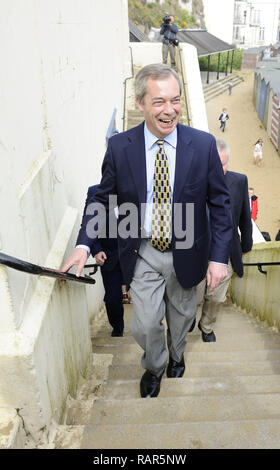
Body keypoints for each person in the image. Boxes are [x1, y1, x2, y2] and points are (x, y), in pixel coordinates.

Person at [61, 63, 232, 398]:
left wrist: (218, 258)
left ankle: (178, 354)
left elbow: (221, 205)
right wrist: (83, 246)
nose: (170, 110)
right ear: (140, 103)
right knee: (145, 323)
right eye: (159, 102)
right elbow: (103, 199)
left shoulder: (203, 144)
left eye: (176, 100)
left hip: (188, 250)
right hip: (142, 251)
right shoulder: (120, 146)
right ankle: (155, 366)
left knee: (182, 320)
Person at [196, 139, 253, 342]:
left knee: (216, 296)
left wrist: (246, 245)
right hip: (197, 251)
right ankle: (185, 323)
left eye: (224, 164)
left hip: (226, 250)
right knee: (192, 296)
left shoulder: (239, 181)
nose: (220, 170)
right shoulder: (192, 181)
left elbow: (245, 218)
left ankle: (207, 327)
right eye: (215, 165)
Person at [81, 185, 124, 337]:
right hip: (109, 256)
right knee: (112, 298)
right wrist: (96, 250)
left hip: (136, 254)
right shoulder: (95, 192)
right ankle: (118, 327)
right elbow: (89, 225)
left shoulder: (137, 188)